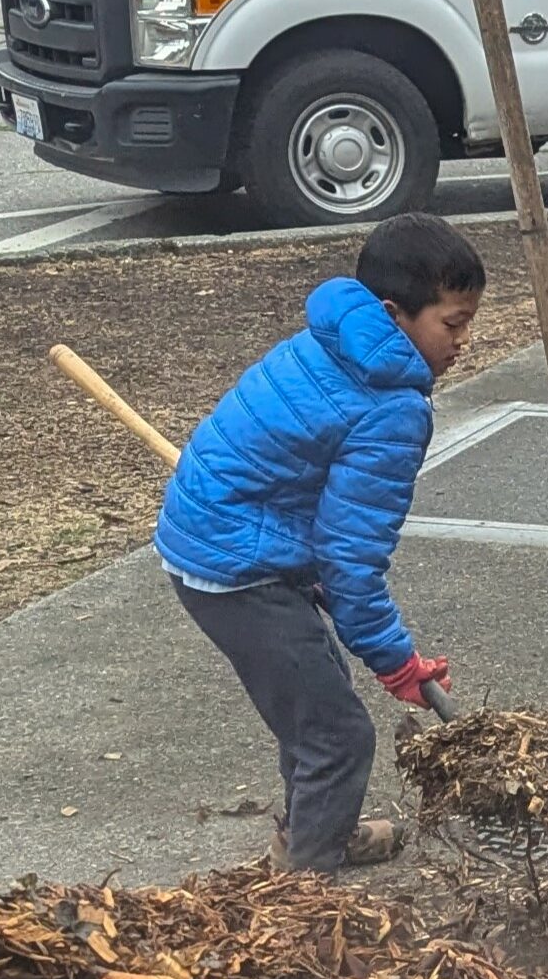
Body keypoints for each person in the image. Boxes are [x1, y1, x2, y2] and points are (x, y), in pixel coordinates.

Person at [154, 213, 482, 873]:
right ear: (394, 314)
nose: (463, 341)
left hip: (222, 537)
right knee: (336, 733)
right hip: (238, 568)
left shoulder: (337, 342)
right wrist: (393, 660)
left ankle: (314, 830)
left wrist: (389, 653)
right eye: (452, 323)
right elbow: (351, 558)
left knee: (317, 701)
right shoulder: (390, 407)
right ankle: (303, 901)